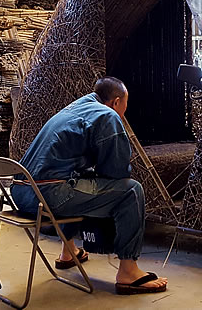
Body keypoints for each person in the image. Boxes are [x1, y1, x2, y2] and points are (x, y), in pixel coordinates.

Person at [11, 76, 167, 295]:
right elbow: (116, 172)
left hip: (21, 193)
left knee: (82, 178)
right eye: (125, 106)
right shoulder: (108, 115)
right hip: (48, 195)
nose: (124, 112)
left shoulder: (76, 107)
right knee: (131, 190)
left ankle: (69, 252)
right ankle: (128, 272)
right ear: (116, 102)